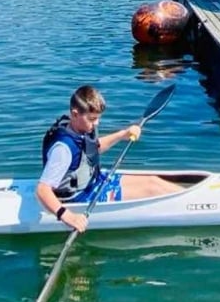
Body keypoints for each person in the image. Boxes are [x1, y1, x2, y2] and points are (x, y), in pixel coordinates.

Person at [36, 84, 181, 232]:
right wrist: (68, 216)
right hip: (80, 199)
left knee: (153, 181)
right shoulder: (63, 149)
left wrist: (123, 134)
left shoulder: (79, 128)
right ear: (74, 114)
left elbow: (93, 149)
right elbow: (42, 190)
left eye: (98, 118)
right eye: (92, 119)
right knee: (152, 188)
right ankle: (192, 204)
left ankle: (191, 197)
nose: (97, 123)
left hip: (94, 183)